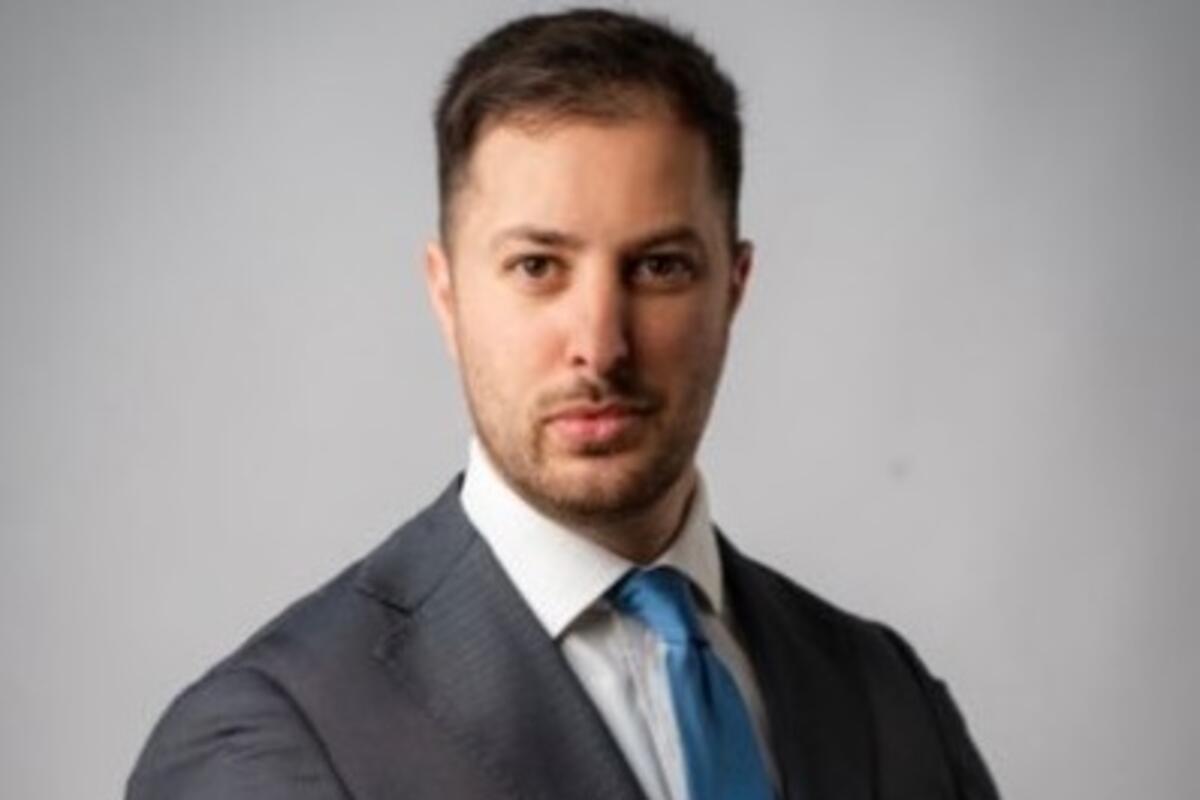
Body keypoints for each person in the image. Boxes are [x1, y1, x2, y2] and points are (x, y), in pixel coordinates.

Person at [127, 8, 1000, 800]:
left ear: (733, 287)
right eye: (537, 267)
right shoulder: (273, 740)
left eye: (659, 267)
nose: (600, 344)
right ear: (446, 294)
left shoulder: (887, 698)